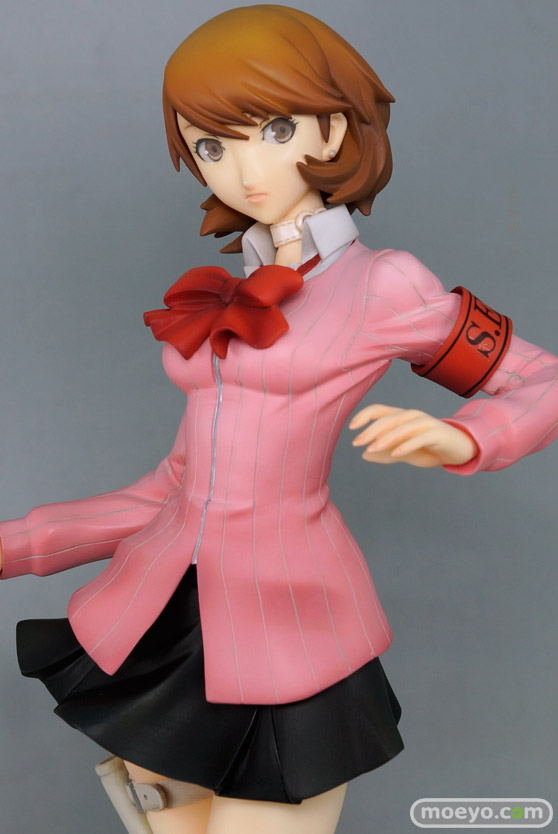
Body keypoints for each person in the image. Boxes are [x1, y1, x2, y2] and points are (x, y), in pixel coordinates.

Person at [1, 6, 556, 834]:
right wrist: (19, 546)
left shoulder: (383, 285)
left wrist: (468, 436)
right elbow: (174, 488)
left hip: (291, 623)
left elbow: (541, 381)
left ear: (332, 127)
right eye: (211, 146)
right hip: (165, 618)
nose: (243, 169)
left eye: (274, 129)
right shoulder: (232, 292)